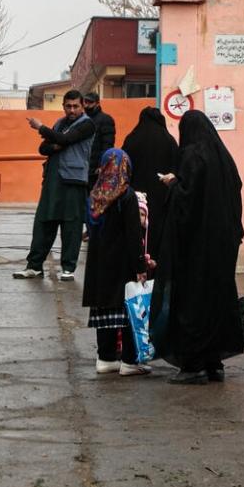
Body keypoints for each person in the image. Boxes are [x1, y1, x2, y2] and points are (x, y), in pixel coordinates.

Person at [152, 110, 244, 384]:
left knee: (192, 301)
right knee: (218, 299)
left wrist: (172, 184)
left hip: (197, 247)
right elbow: (234, 192)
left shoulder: (192, 156)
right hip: (224, 244)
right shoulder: (224, 158)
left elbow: (188, 199)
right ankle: (214, 362)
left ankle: (194, 365)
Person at [82, 148, 151, 377]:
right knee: (128, 313)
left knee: (105, 311)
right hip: (121, 263)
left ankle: (106, 358)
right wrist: (140, 266)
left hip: (99, 264)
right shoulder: (127, 195)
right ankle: (129, 362)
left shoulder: (96, 195)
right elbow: (133, 235)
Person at [16, 92, 95, 280]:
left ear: (82, 106)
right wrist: (55, 145)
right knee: (44, 222)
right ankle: (34, 266)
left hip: (74, 181)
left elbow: (66, 139)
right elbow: (43, 148)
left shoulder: (87, 125)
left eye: (76, 106)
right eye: (69, 106)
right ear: (63, 106)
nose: (72, 110)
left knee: (71, 225)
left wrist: (41, 127)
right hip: (53, 180)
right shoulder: (60, 124)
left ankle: (68, 268)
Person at [122, 107, 180, 273]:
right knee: (157, 234)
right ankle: (156, 268)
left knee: (136, 231)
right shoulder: (169, 141)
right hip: (161, 198)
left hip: (135, 198)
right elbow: (177, 168)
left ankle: (137, 265)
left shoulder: (132, 139)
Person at [83, 92, 118, 163]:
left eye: (90, 102)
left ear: (97, 103)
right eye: (86, 102)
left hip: (96, 165)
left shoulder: (106, 119)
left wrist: (102, 164)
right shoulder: (83, 119)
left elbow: (107, 145)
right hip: (83, 164)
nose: (87, 105)